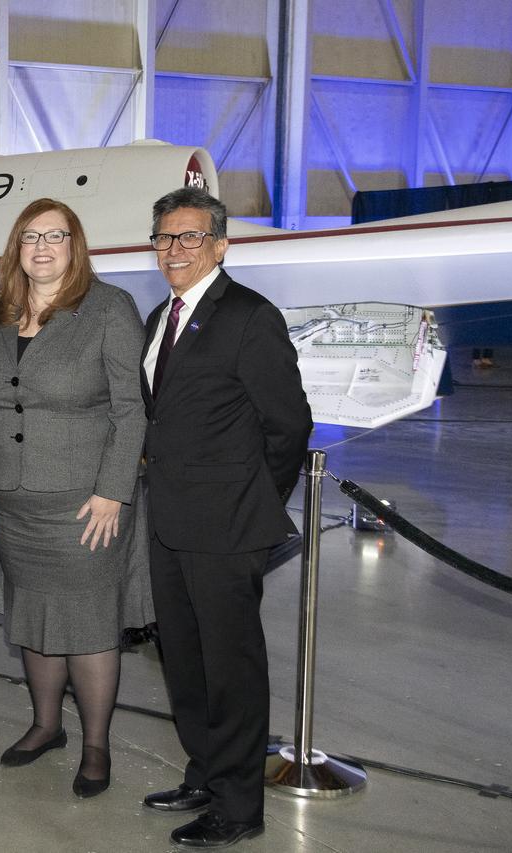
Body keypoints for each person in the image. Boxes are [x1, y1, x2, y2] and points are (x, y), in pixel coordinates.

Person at [0, 198, 149, 798]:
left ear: (76, 244)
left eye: (55, 236)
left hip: (85, 504)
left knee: (89, 625)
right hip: (12, 503)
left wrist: (113, 492)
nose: (41, 247)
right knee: (32, 615)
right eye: (29, 236)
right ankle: (45, 726)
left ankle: (95, 746)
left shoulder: (110, 309)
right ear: (16, 247)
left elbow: (130, 409)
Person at [139, 187, 311, 848]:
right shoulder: (163, 315)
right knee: (183, 658)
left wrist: (252, 510)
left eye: (187, 237)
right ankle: (205, 771)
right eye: (163, 237)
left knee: (231, 668)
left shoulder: (248, 315)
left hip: (227, 528)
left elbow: (288, 425)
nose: (174, 249)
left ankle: (239, 805)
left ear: (219, 244)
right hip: (170, 523)